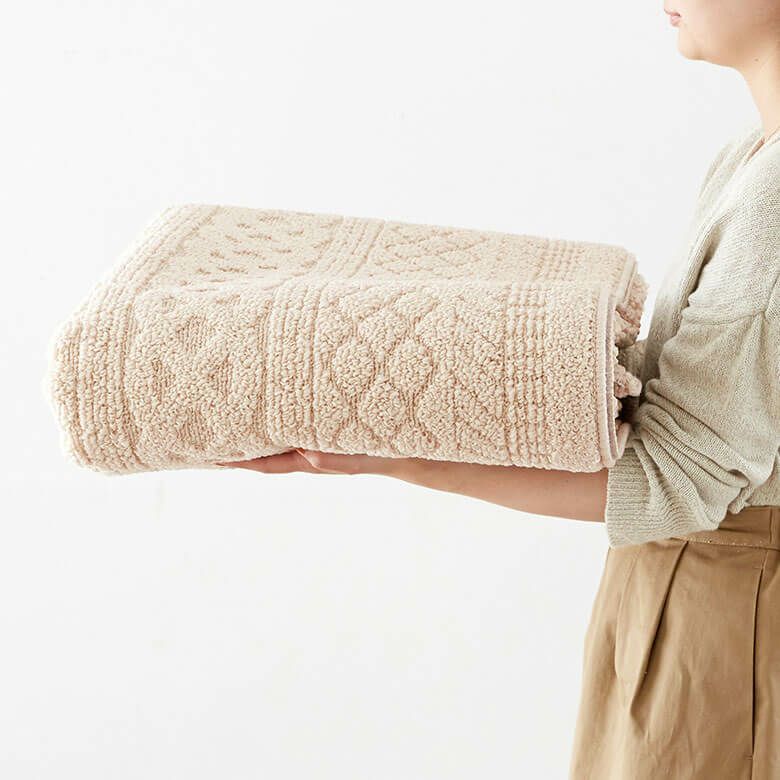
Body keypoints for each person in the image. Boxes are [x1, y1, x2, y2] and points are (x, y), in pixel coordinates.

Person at [218, 2, 780, 776]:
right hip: (696, 599)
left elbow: (674, 477)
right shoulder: (748, 159)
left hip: (725, 617)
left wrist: (392, 453)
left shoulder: (772, 200)